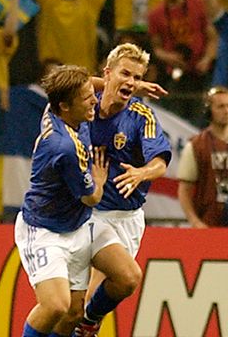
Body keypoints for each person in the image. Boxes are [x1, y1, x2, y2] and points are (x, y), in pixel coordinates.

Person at [75, 43, 171, 336]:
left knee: (97, 299)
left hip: (124, 218)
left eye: (137, 77)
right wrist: (123, 83)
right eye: (125, 74)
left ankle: (90, 320)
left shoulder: (142, 116)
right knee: (71, 303)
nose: (131, 81)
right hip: (85, 212)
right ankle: (86, 322)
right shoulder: (85, 104)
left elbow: (160, 162)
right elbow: (66, 78)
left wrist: (142, 172)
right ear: (106, 73)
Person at [16, 64, 109, 337]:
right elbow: (91, 197)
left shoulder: (56, 108)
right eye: (87, 98)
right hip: (44, 229)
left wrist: (112, 84)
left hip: (76, 227)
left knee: (74, 314)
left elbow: (83, 84)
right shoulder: (65, 147)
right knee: (55, 305)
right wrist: (100, 178)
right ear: (66, 106)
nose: (95, 100)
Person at [177, 86, 228, 228]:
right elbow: (185, 189)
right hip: (209, 223)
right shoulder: (197, 145)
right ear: (209, 111)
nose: (227, 111)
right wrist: (195, 222)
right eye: (220, 106)